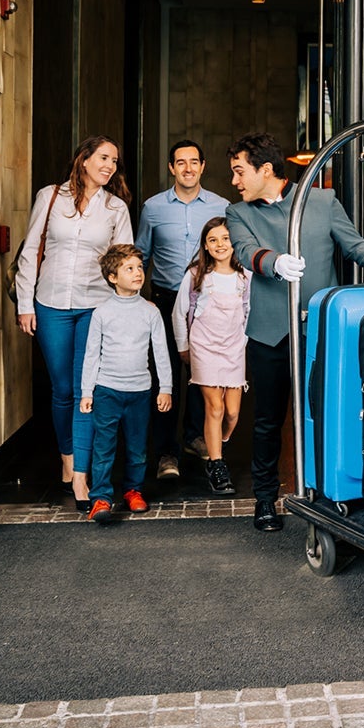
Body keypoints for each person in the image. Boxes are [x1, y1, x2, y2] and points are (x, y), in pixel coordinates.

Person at [224, 132, 364, 531]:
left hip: (320, 331)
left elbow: (355, 246)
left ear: (266, 169)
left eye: (240, 171)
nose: (235, 181)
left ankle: (328, 492)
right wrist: (273, 263)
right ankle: (264, 499)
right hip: (270, 333)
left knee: (324, 413)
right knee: (268, 420)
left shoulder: (322, 201)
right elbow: (243, 251)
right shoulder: (238, 212)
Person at [14, 135, 134, 509]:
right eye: (103, 157)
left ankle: (80, 474)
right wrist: (24, 304)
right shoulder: (50, 196)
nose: (110, 165)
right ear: (84, 160)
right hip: (50, 304)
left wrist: (125, 311)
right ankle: (66, 455)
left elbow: (125, 260)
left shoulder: (116, 208)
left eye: (114, 160)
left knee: (87, 390)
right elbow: (31, 249)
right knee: (62, 389)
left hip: (96, 307)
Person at [135, 139, 229, 480]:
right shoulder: (153, 207)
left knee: (202, 373)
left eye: (194, 162)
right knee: (166, 375)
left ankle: (194, 437)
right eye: (180, 162)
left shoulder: (222, 207)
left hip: (207, 301)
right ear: (171, 168)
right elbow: (141, 254)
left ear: (203, 166)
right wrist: (136, 298)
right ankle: (165, 453)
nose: (188, 168)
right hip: (163, 299)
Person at [79, 244, 173, 524]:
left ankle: (133, 490)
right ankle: (101, 498)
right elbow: (91, 354)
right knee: (104, 446)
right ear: (112, 277)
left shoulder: (150, 312)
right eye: (129, 268)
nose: (137, 273)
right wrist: (87, 391)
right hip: (107, 391)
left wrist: (165, 387)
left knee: (136, 447)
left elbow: (161, 352)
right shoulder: (102, 313)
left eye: (139, 267)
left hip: (140, 392)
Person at [171, 217, 249, 496]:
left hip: (233, 348)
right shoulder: (195, 275)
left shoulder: (245, 276)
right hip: (204, 347)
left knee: (232, 412)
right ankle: (217, 465)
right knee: (214, 408)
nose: (220, 245)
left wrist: (244, 342)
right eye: (213, 240)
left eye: (226, 238)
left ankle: (219, 441)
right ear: (205, 245)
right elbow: (179, 313)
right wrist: (183, 347)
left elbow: (248, 312)